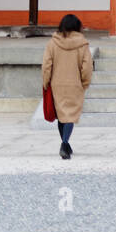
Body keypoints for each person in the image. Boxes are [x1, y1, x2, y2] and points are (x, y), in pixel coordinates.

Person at [41, 13, 92, 161]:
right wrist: (85, 82)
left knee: (61, 116)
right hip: (75, 84)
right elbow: (87, 66)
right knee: (70, 115)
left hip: (57, 84)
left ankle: (65, 144)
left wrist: (46, 82)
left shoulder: (53, 43)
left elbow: (46, 65)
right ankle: (64, 143)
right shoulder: (83, 44)